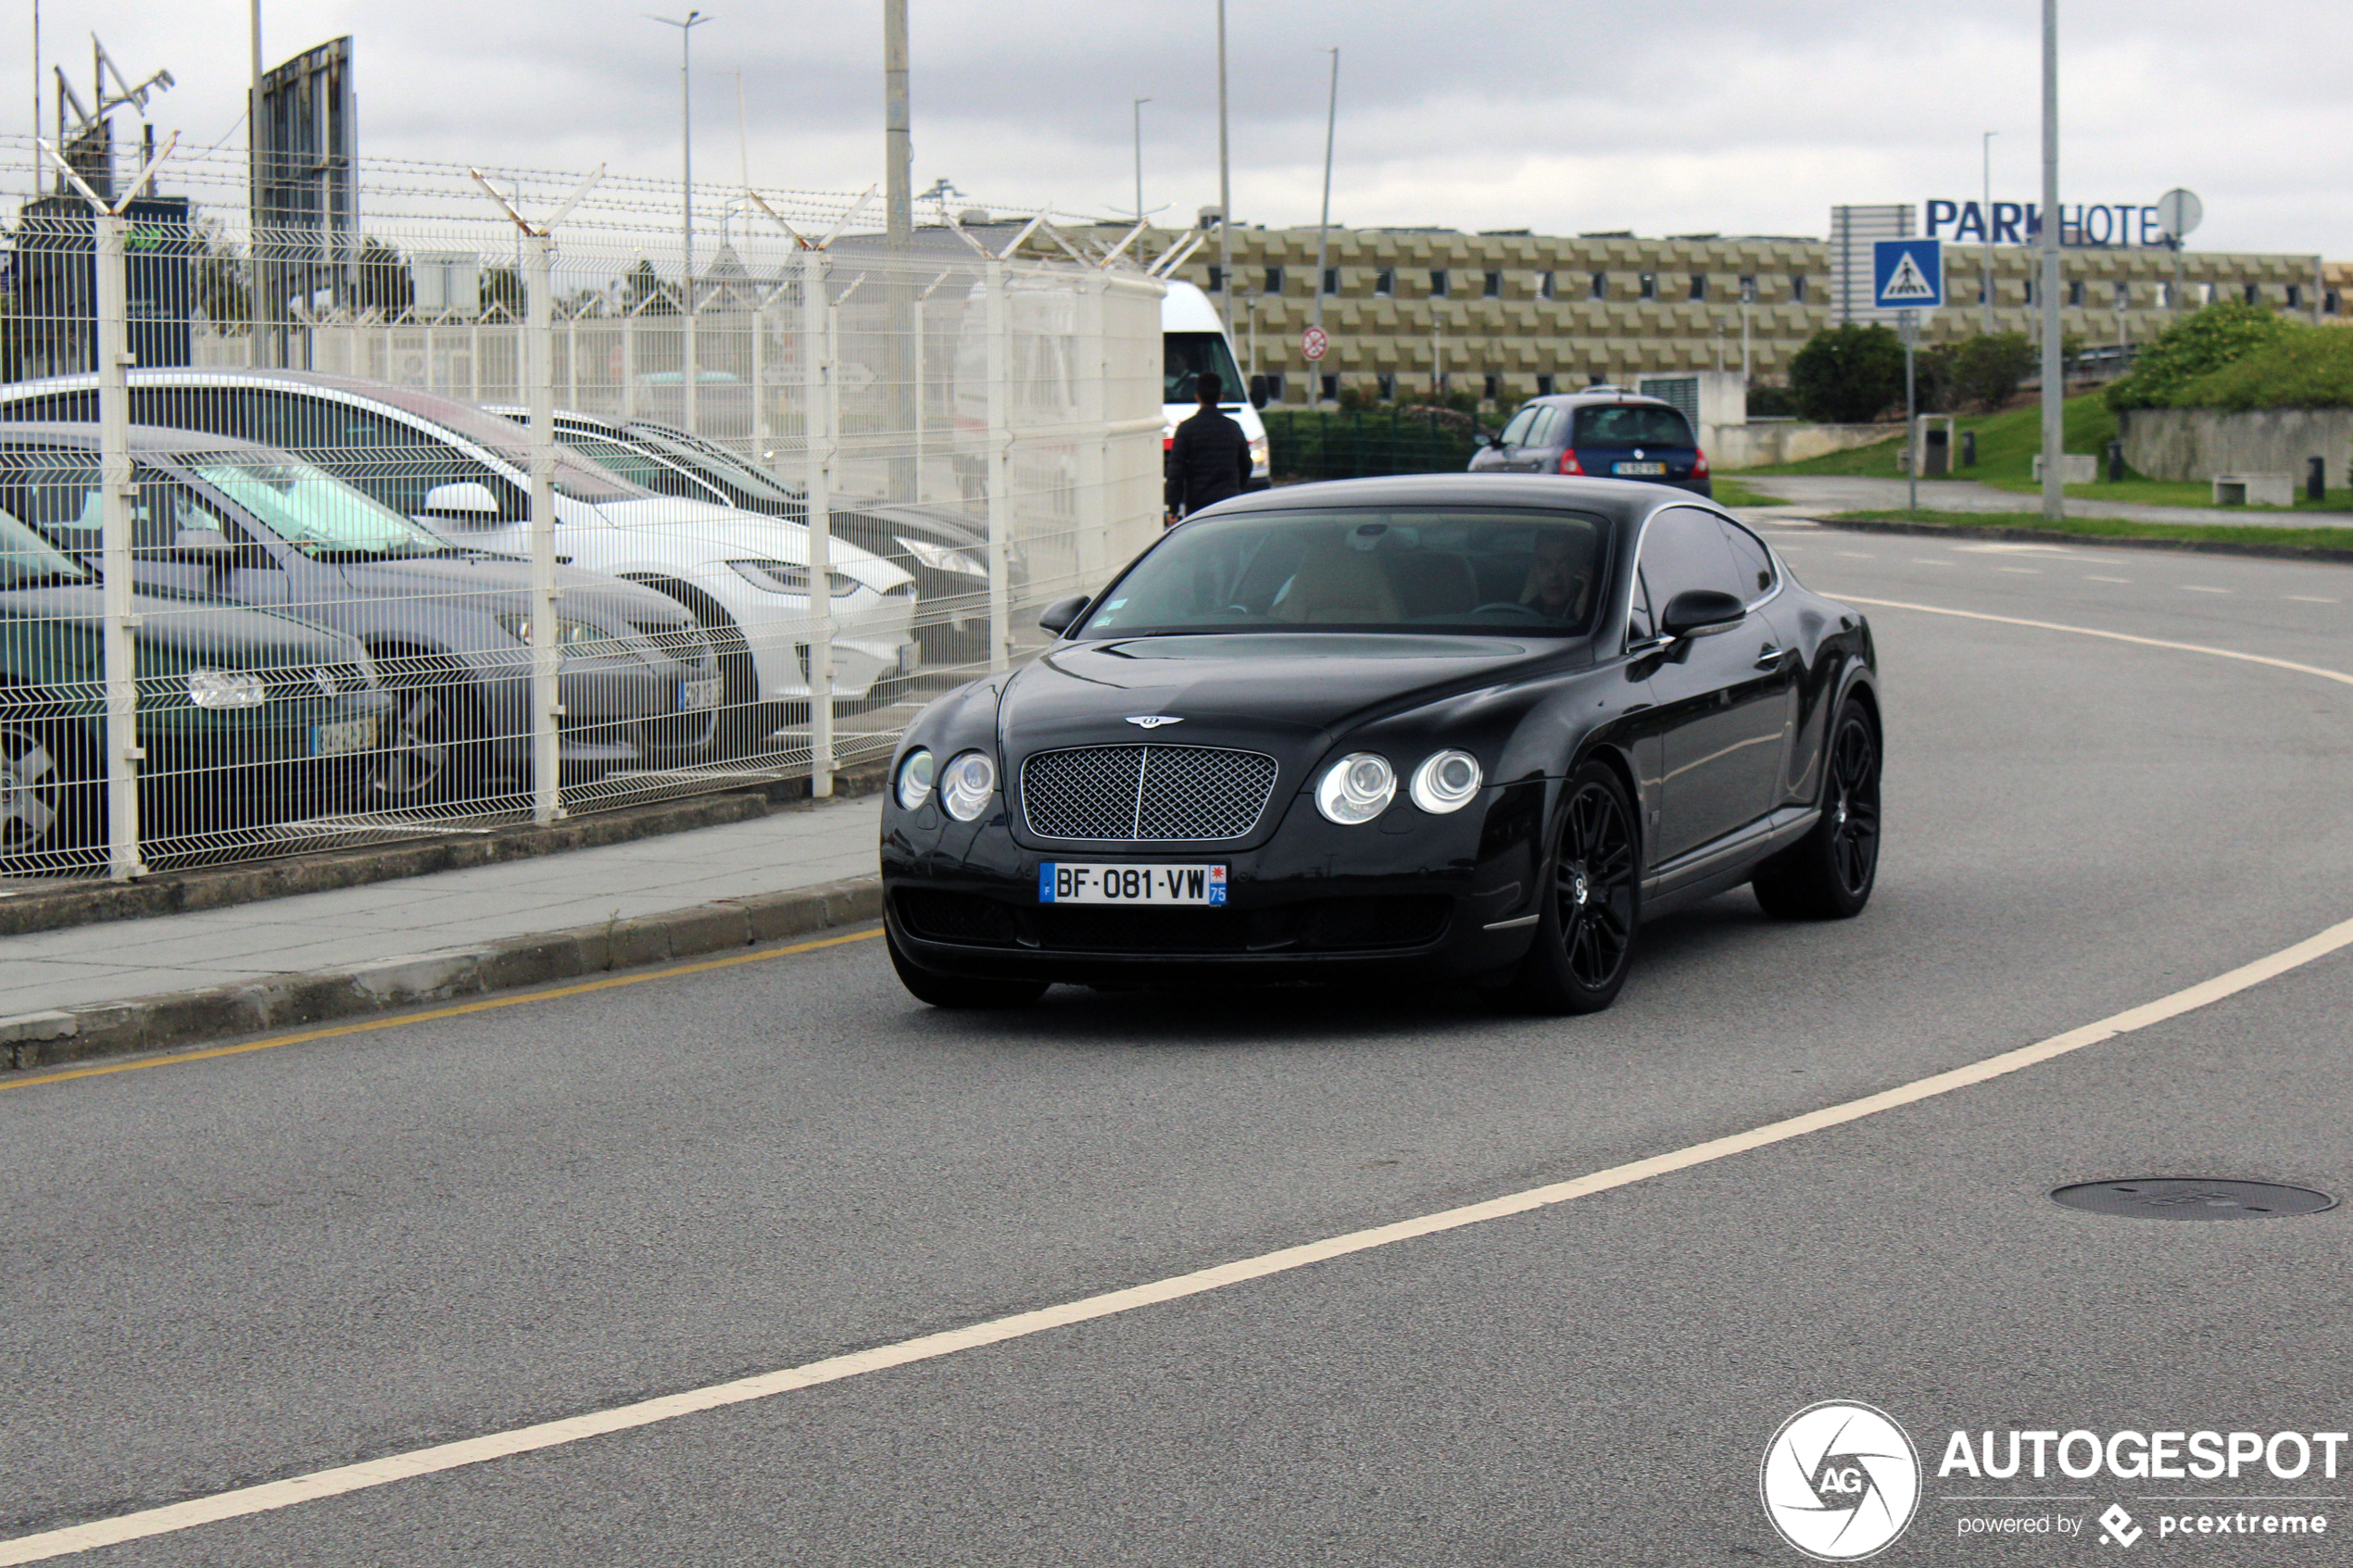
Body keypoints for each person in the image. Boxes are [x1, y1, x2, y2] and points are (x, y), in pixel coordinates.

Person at [1164, 370, 1252, 524]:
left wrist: (1173, 507)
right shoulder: (1233, 428)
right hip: (1228, 501)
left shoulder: (1186, 429)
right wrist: (1237, 488)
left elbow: (1176, 472)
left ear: (1197, 396)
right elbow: (1246, 464)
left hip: (1198, 503)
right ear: (1220, 397)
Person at [1520, 530, 1593, 622]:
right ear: (1534, 569)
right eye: (1545, 564)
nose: (1553, 574)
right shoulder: (1522, 617)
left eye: (1564, 563)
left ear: (1580, 569)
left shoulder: (1602, 617)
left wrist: (1583, 616)